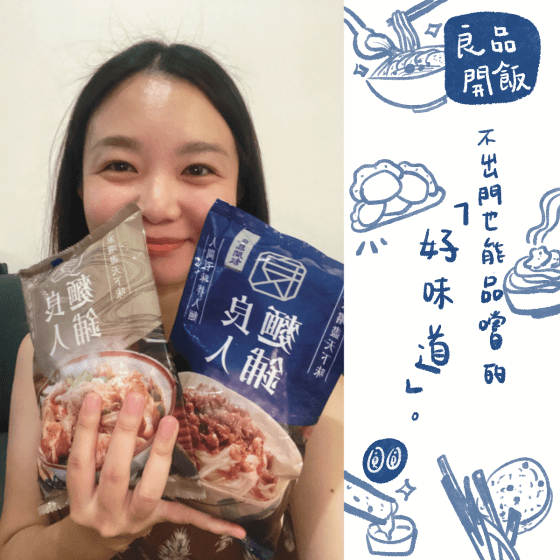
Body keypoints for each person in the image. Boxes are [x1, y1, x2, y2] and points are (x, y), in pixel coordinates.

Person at [0, 41, 343, 560]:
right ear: (78, 185)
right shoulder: (46, 354)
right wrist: (84, 539)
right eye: (120, 164)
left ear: (239, 189)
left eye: (197, 170)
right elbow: (15, 544)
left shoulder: (300, 363)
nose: (157, 205)